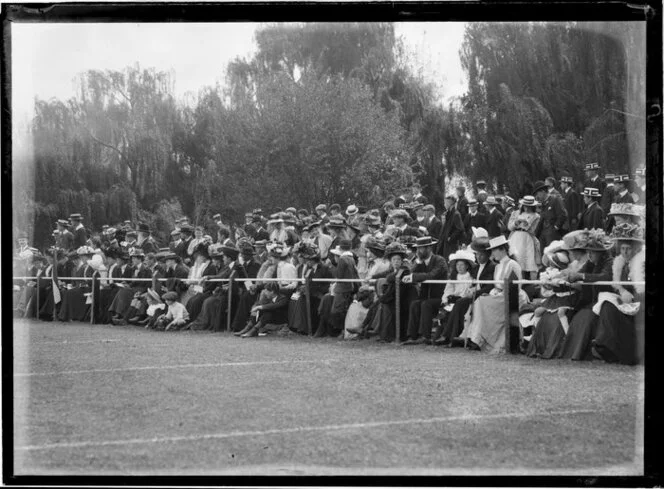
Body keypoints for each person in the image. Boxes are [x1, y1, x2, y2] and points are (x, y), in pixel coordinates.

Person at [460, 235, 527, 353]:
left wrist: (498, 294)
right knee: (480, 300)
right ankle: (477, 338)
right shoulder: (498, 266)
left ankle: (480, 338)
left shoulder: (513, 264)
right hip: (499, 296)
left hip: (513, 297)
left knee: (481, 302)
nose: (492, 253)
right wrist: (493, 293)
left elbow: (517, 286)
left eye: (494, 250)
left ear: (502, 250)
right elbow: (496, 285)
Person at [591, 222, 645, 365]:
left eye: (628, 249)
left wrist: (633, 296)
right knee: (607, 306)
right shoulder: (618, 263)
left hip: (641, 307)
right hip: (625, 305)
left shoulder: (642, 264)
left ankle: (619, 351)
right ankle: (603, 345)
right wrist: (622, 291)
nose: (625, 252)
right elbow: (616, 285)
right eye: (622, 248)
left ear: (635, 249)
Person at [556, 229, 614, 361]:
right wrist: (565, 277)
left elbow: (604, 277)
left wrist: (580, 276)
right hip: (591, 302)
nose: (589, 254)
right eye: (588, 251)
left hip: (604, 302)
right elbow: (579, 273)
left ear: (601, 252)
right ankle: (572, 352)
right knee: (580, 316)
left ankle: (583, 352)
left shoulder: (609, 262)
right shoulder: (591, 262)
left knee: (585, 317)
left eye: (592, 251)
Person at [439, 228, 496, 346]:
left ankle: (451, 335)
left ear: (488, 255)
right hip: (471, 294)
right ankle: (449, 336)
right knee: (458, 303)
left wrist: (475, 292)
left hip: (483, 295)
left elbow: (490, 285)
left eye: (482, 254)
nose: (479, 257)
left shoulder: (492, 267)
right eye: (477, 254)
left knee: (460, 303)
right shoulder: (475, 268)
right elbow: (471, 281)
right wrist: (471, 288)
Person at [522, 240, 578, 358]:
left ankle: (569, 338)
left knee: (561, 312)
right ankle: (534, 336)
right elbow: (546, 292)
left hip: (568, 297)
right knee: (538, 311)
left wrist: (558, 282)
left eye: (554, 263)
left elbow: (568, 283)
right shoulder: (549, 272)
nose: (551, 265)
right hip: (555, 298)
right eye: (551, 263)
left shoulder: (568, 270)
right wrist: (547, 283)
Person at [401, 236, 448, 345]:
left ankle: (425, 335)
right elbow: (410, 273)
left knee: (425, 304)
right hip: (425, 297)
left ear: (429, 248)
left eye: (420, 248)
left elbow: (432, 275)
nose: (418, 251)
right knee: (414, 304)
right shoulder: (420, 262)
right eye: (417, 249)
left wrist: (414, 277)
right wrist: (417, 263)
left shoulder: (439, 260)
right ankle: (412, 336)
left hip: (439, 298)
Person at [430, 248, 475, 345]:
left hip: (464, 301)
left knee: (454, 310)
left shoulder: (471, 277)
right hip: (453, 300)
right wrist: (446, 299)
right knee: (444, 311)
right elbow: (448, 290)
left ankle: (450, 336)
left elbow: (469, 291)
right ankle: (441, 336)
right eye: (457, 265)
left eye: (462, 265)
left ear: (467, 266)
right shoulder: (453, 277)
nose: (459, 267)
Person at [374, 242, 411, 343]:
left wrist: (384, 297)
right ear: (391, 261)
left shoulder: (405, 270)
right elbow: (386, 276)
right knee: (378, 305)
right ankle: (374, 331)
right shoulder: (393, 270)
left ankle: (389, 336)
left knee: (387, 306)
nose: (396, 261)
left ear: (402, 261)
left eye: (398, 259)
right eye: (394, 259)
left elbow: (391, 279)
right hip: (393, 297)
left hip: (403, 299)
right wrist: (371, 278)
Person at [507, 196, 541, 279]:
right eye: (525, 206)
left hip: (528, 238)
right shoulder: (516, 213)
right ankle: (519, 284)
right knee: (517, 260)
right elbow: (509, 227)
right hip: (515, 237)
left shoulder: (536, 216)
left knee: (531, 262)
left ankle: (533, 285)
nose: (526, 208)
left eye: (529, 206)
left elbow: (534, 231)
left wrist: (527, 225)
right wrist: (516, 222)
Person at [533, 180, 567, 249]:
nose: (536, 197)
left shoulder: (555, 199)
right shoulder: (543, 203)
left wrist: (555, 228)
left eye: (537, 194)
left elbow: (563, 215)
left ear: (543, 191)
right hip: (543, 235)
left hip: (553, 235)